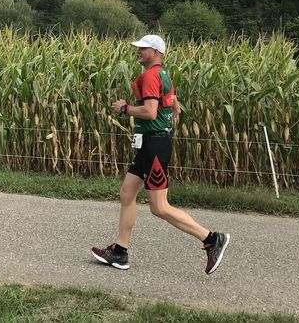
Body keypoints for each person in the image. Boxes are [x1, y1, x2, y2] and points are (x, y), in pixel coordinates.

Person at [91, 34, 230, 274]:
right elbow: (174, 106)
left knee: (159, 207)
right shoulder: (163, 74)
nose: (139, 51)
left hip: (154, 145)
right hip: (150, 144)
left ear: (155, 51)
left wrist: (124, 108)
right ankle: (120, 251)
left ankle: (211, 239)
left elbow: (150, 112)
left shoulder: (151, 75)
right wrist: (167, 121)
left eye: (143, 48)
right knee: (126, 193)